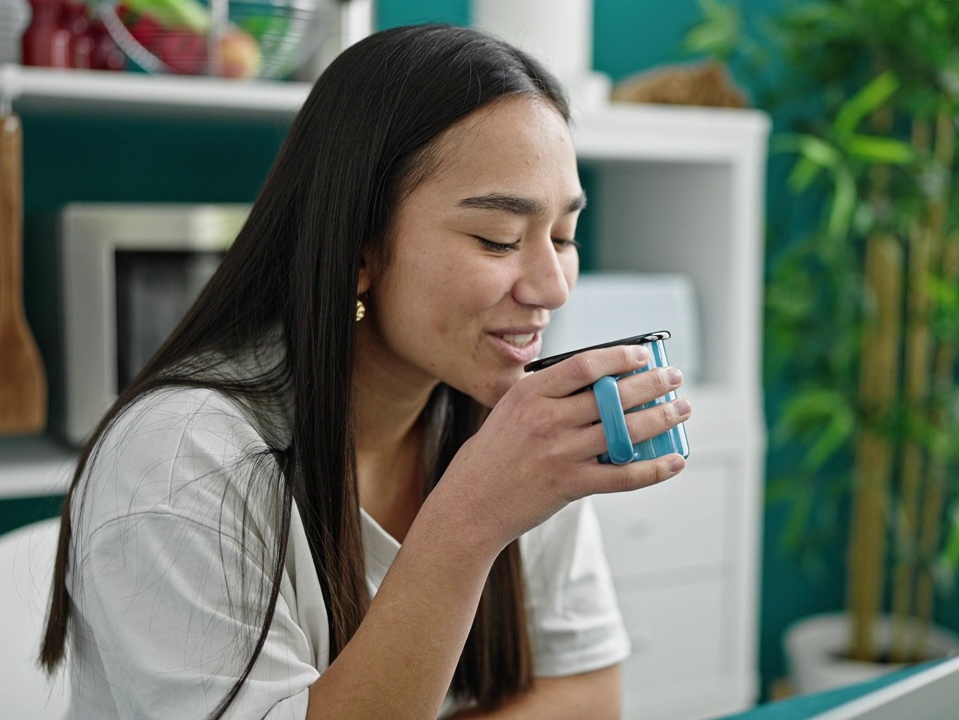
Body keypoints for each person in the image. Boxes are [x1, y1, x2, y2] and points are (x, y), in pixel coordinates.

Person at [38, 23, 691, 720]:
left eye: (563, 236)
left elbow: (587, 698)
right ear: (357, 249)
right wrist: (467, 523)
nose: (554, 287)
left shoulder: (515, 431)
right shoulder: (178, 462)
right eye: (498, 238)